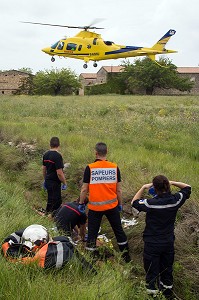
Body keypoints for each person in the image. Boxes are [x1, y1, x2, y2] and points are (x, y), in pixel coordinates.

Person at [131, 175, 191, 299]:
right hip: (168, 243)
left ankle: (152, 295)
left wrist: (143, 187)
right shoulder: (175, 200)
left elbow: (134, 203)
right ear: (167, 186)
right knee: (167, 271)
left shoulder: (150, 203)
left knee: (151, 273)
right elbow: (187, 187)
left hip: (152, 244)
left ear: (155, 188)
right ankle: (168, 295)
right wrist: (173, 181)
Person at [78, 142, 130, 263]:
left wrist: (81, 203)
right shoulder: (114, 167)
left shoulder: (90, 168)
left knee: (92, 234)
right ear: (106, 152)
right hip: (112, 207)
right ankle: (127, 258)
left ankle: (91, 259)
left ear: (96, 153)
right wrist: (120, 204)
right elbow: (119, 190)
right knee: (119, 232)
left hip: (95, 208)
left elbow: (84, 189)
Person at [2, 224, 96, 273]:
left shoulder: (12, 249)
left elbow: (8, 242)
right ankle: (91, 272)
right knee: (65, 241)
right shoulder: (45, 255)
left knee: (64, 239)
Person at [42, 137, 67, 214]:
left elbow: (43, 169)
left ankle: (48, 214)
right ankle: (52, 217)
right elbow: (59, 173)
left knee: (50, 199)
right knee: (56, 201)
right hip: (55, 182)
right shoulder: (57, 156)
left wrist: (45, 180)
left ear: (50, 145)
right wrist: (64, 183)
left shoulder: (46, 154)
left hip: (48, 180)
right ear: (59, 145)